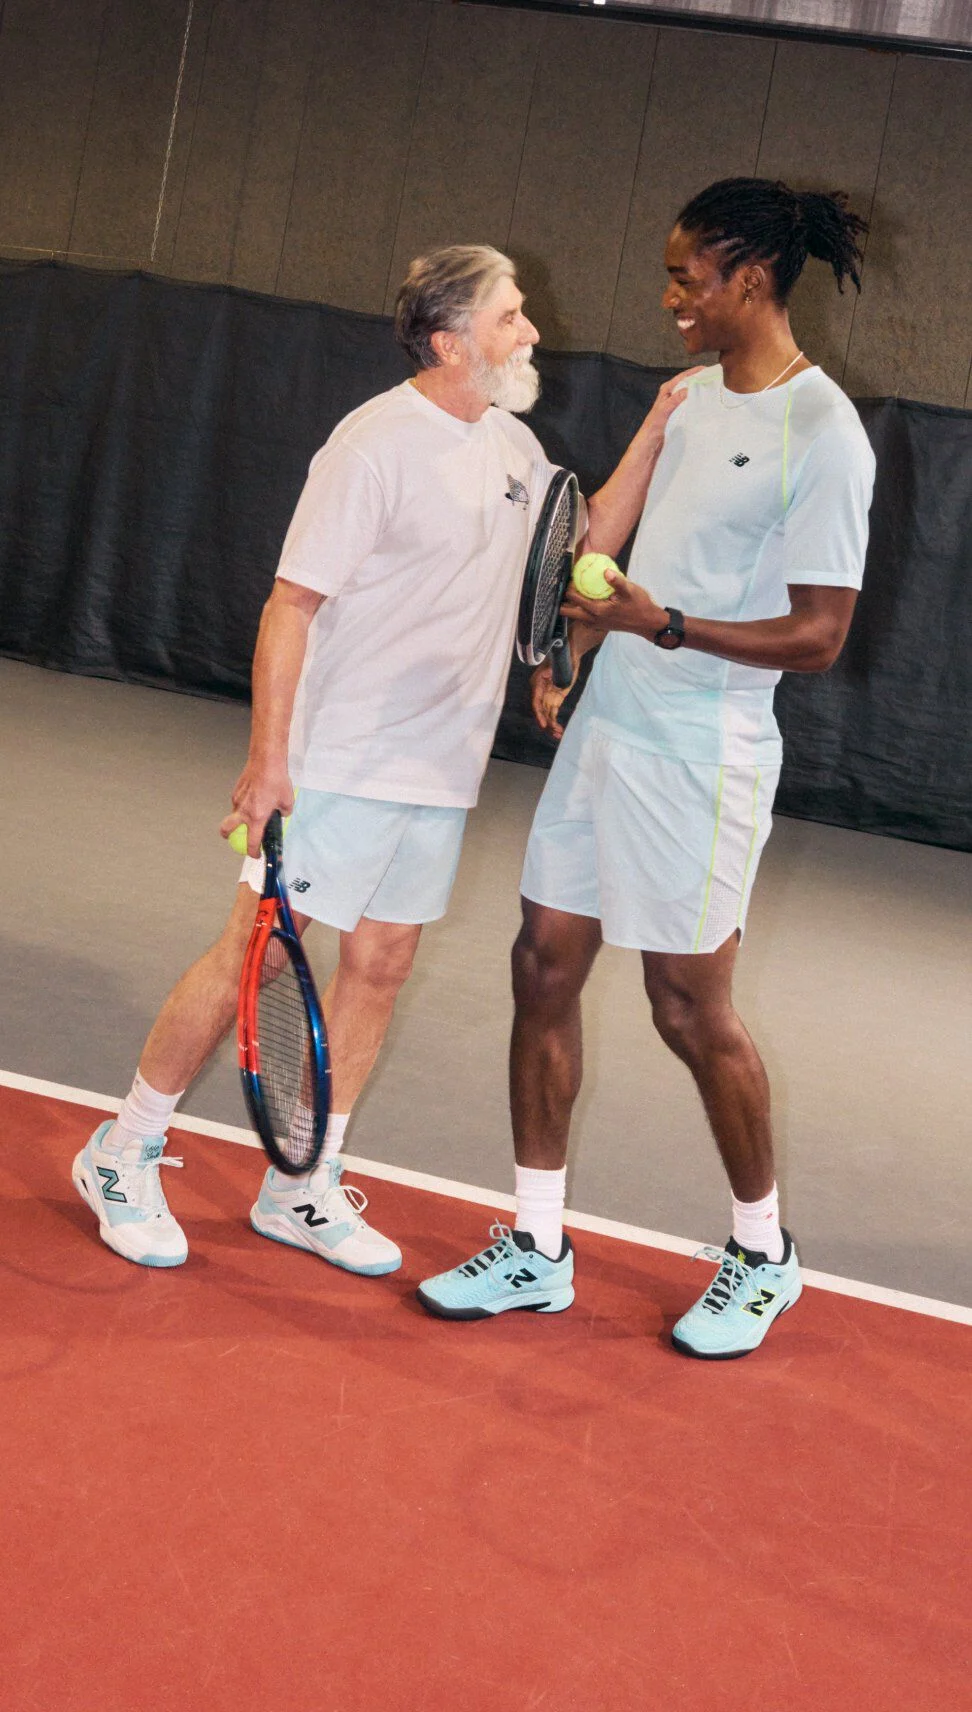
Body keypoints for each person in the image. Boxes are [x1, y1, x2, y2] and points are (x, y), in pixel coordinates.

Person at [418, 179, 876, 1358]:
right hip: (611, 721)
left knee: (688, 1007)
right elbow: (602, 533)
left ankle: (764, 1252)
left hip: (704, 756)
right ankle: (535, 1243)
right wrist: (573, 634)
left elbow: (820, 635)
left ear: (753, 280)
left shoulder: (824, 433)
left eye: (690, 277)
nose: (672, 297)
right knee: (542, 963)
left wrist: (660, 625)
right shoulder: (685, 394)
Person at [73, 244, 561, 1275]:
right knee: (250, 948)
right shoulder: (373, 444)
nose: (528, 331)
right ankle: (123, 1146)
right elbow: (291, 603)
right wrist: (269, 758)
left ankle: (301, 1183)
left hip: (443, 768)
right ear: (450, 341)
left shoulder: (519, 453)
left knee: (380, 968)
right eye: (510, 315)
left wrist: (658, 431)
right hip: (338, 757)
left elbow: (577, 546)